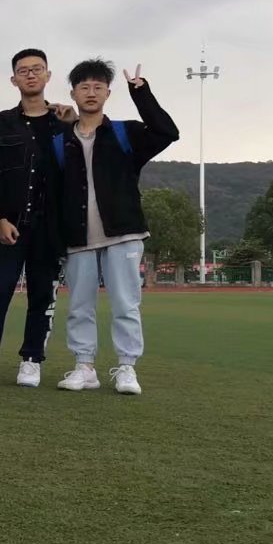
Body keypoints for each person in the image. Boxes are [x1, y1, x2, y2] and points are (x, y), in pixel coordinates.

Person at [54, 61, 178, 395]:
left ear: (108, 93)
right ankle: (84, 366)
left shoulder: (126, 133)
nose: (91, 93)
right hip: (78, 235)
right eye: (84, 87)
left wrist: (141, 92)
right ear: (73, 94)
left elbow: (167, 132)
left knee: (125, 304)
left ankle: (126, 367)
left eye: (98, 87)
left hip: (123, 233)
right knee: (79, 306)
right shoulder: (60, 140)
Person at [0, 48, 68, 389]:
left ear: (48, 76)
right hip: (9, 224)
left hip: (49, 227)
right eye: (23, 70)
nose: (30, 75)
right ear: (13, 79)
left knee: (42, 295)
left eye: (37, 69)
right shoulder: (2, 123)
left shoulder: (63, 123)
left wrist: (72, 122)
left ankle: (31, 360)